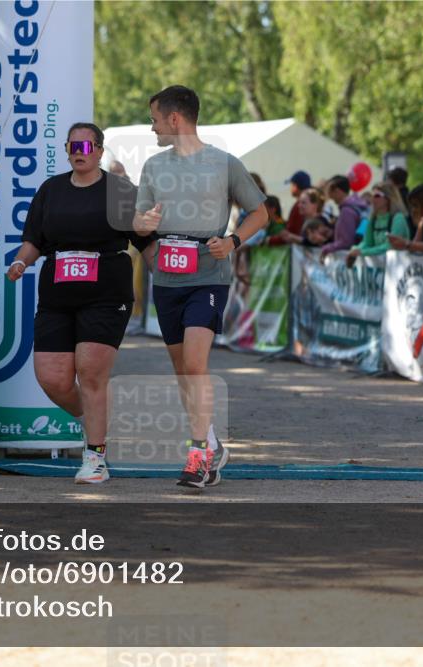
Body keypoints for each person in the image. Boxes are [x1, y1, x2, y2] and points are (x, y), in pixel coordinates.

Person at [132, 85, 267, 489]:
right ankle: (210, 441)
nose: (152, 127)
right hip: (168, 278)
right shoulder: (154, 167)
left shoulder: (224, 164)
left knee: (194, 364)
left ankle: (199, 458)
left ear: (175, 119)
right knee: (182, 370)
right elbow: (137, 222)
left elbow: (260, 213)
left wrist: (233, 241)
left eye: (155, 119)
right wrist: (147, 230)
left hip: (208, 274)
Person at [8, 122, 151, 484]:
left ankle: (95, 458)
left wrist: (169, 275)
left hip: (106, 294)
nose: (79, 152)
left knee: (90, 372)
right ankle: (93, 418)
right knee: (52, 379)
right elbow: (33, 240)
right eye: (73, 146)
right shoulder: (50, 190)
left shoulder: (120, 190)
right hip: (57, 296)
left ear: (100, 151)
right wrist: (21, 261)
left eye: (86, 147)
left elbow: (145, 240)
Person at [346, 182, 409, 266]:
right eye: (372, 195)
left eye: (377, 195)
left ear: (388, 198)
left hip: (397, 268)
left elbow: (390, 246)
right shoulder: (372, 219)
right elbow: (367, 242)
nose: (372, 199)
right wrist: (354, 249)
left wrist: (362, 252)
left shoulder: (398, 218)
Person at [319, 174, 367, 260]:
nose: (331, 198)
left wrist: (327, 248)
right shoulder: (353, 208)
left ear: (337, 191)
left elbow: (346, 241)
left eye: (331, 193)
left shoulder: (347, 211)